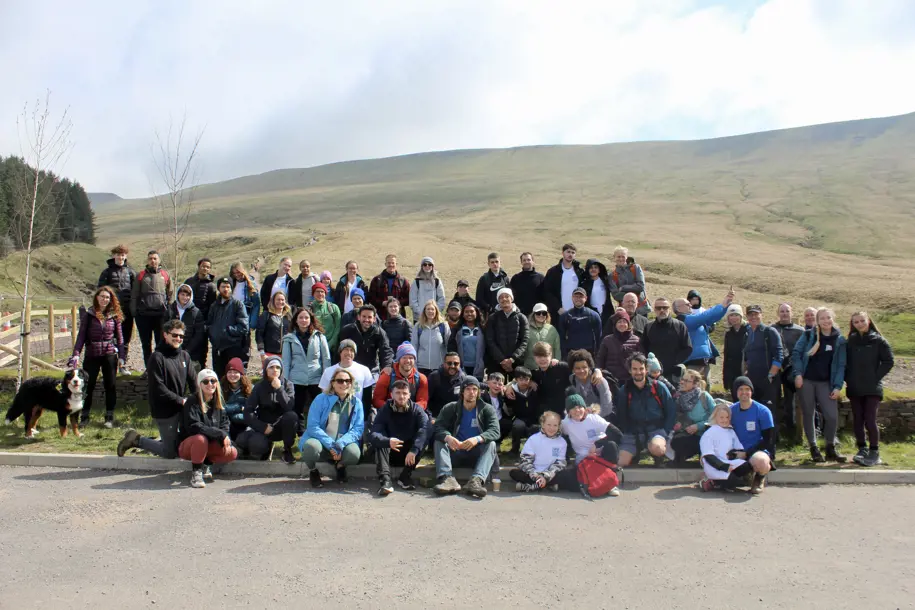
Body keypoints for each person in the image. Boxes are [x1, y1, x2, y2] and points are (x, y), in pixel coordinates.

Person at [117, 320, 197, 459]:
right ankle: (137, 440)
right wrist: (180, 400)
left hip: (182, 408)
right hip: (165, 410)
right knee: (169, 452)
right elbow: (158, 388)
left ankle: (164, 442)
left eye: (181, 336)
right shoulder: (157, 358)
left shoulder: (185, 356)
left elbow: (194, 382)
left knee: (182, 442)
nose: (178, 339)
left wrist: (197, 399)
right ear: (165, 335)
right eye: (175, 335)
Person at [791, 307, 847, 463]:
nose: (826, 321)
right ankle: (814, 448)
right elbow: (796, 353)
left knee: (832, 416)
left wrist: (838, 386)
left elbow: (841, 364)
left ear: (833, 319)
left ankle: (830, 448)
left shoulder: (839, 339)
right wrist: (798, 374)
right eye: (822, 318)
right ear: (817, 321)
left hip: (826, 382)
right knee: (808, 413)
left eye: (828, 317)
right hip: (807, 380)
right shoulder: (809, 335)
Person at [431, 376, 499, 498]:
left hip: (477, 453)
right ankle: (447, 479)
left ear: (478, 392)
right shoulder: (450, 408)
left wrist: (477, 439)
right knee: (439, 441)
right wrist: (448, 437)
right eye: (468, 389)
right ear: (462, 391)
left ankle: (476, 481)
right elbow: (437, 427)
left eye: (474, 389)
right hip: (455, 451)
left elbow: (495, 431)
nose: (471, 392)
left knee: (491, 444)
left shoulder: (487, 409)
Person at [70, 286, 125, 427]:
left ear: (110, 300)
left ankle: (109, 417)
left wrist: (122, 356)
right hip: (92, 354)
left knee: (110, 385)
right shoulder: (89, 315)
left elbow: (120, 338)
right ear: (97, 298)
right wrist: (76, 354)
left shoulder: (114, 316)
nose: (104, 300)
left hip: (109, 354)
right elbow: (81, 336)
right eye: (102, 297)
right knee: (88, 386)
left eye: (107, 297)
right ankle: (85, 416)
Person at [300, 367, 364, 487]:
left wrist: (340, 444)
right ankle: (313, 471)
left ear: (351, 383)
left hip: (342, 445)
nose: (344, 384)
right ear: (333, 383)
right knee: (310, 447)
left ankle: (340, 466)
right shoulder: (320, 399)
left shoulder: (357, 403)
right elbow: (312, 426)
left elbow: (358, 429)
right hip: (322, 442)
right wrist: (331, 445)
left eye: (347, 381)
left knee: (354, 454)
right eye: (340, 381)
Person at [846, 311, 895, 467]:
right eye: (856, 322)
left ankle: (874, 451)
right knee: (858, 419)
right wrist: (848, 378)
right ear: (852, 324)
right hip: (854, 387)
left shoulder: (879, 341)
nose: (859, 324)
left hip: (872, 387)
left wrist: (875, 377)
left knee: (870, 418)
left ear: (868, 321)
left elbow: (889, 361)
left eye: (862, 320)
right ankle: (862, 449)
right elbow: (844, 362)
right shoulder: (850, 341)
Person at [177, 368, 238, 488]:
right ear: (200, 385)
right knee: (200, 439)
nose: (210, 384)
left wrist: (224, 436)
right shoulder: (192, 401)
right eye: (205, 381)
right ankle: (196, 472)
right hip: (189, 446)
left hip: (208, 444)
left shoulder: (218, 402)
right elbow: (194, 426)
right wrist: (219, 434)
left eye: (213, 381)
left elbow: (225, 424)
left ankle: (206, 464)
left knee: (232, 452)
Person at [371, 379, 432, 494]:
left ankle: (405, 477)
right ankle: (385, 481)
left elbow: (425, 429)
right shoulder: (385, 410)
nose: (401, 396)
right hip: (390, 452)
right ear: (391, 394)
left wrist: (414, 450)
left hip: (409, 454)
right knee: (380, 443)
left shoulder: (417, 410)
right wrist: (387, 441)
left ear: (409, 395)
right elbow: (375, 433)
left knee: (423, 440)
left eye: (404, 393)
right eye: (398, 393)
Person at [554, 392, 622, 495]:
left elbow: (617, 434)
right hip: (583, 461)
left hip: (600, 457)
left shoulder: (594, 418)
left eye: (580, 407)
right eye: (573, 408)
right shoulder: (566, 423)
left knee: (612, 446)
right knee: (566, 476)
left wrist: (597, 444)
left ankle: (610, 484)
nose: (577, 410)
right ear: (568, 412)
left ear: (585, 408)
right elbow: (550, 430)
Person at [616, 353, 676, 467]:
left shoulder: (658, 387)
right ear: (630, 370)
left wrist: (666, 431)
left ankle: (657, 456)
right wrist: (626, 432)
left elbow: (671, 410)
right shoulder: (625, 390)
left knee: (657, 448)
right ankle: (635, 455)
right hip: (633, 433)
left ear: (646, 369)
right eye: (634, 369)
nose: (638, 372)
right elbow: (621, 415)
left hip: (656, 430)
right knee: (621, 462)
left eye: (641, 369)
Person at [236, 356, 297, 464]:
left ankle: (287, 450)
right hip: (265, 427)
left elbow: (289, 407)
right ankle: (265, 450)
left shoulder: (288, 385)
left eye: (278, 367)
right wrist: (262, 426)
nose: (275, 370)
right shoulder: (259, 387)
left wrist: (279, 389)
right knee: (256, 445)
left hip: (282, 427)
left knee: (292, 416)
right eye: (271, 367)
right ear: (266, 370)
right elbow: (248, 411)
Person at [282, 307, 331, 433]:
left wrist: (326, 380)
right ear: (296, 320)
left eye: (306, 318)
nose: (304, 320)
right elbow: (286, 362)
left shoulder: (320, 337)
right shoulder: (289, 339)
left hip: (316, 378)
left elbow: (326, 359)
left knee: (319, 407)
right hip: (296, 379)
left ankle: (319, 430)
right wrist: (285, 381)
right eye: (301, 318)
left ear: (311, 320)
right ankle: (300, 432)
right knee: (297, 408)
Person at [673, 289, 733, 384]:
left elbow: (712, 318)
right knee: (695, 388)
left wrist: (725, 306)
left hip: (702, 361)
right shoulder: (684, 320)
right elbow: (704, 316)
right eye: (687, 304)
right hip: (693, 363)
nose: (690, 305)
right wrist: (722, 305)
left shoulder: (691, 319)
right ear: (678, 309)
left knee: (705, 387)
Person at [729, 376, 775, 494]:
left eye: (747, 389)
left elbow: (768, 440)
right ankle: (745, 475)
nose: (744, 392)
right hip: (736, 450)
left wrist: (747, 453)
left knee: (761, 461)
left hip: (757, 450)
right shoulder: (730, 411)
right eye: (740, 389)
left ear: (751, 391)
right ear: (736, 392)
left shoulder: (763, 411)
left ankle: (759, 478)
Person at [130, 250, 174, 368]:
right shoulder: (140, 275)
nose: (153, 261)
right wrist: (134, 312)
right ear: (147, 260)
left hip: (160, 315)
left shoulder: (165, 275)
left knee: (160, 343)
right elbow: (134, 295)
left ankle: (160, 367)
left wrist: (170, 312)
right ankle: (149, 368)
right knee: (146, 344)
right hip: (143, 315)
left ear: (159, 260)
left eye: (155, 258)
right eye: (150, 258)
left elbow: (170, 294)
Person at [698, 404, 754, 492]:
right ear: (715, 417)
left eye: (727, 417)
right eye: (721, 417)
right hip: (715, 466)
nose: (725, 420)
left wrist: (733, 454)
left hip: (729, 462)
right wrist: (723, 466)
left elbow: (738, 448)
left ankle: (723, 482)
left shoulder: (730, 431)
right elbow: (708, 456)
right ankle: (712, 481)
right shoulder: (709, 434)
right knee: (735, 481)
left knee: (747, 466)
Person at [98, 244, 135, 372]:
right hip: (111, 312)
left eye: (123, 255)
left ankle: (122, 365)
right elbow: (100, 292)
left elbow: (135, 292)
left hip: (127, 312)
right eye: (118, 255)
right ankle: (110, 367)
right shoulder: (106, 272)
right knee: (110, 339)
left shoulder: (131, 273)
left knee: (125, 339)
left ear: (126, 256)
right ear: (114, 256)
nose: (121, 257)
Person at [510, 411, 566, 492]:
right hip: (534, 473)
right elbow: (525, 460)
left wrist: (545, 476)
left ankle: (530, 486)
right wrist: (535, 476)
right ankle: (548, 485)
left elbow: (560, 464)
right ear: (543, 424)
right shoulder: (533, 439)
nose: (552, 428)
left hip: (551, 474)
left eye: (555, 425)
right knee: (514, 473)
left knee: (565, 475)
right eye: (549, 425)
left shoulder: (562, 442)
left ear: (559, 426)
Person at [668, 368, 715, 464]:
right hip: (688, 434)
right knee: (676, 442)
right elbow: (678, 416)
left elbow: (716, 417)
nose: (682, 382)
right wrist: (679, 423)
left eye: (686, 380)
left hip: (705, 435)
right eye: (682, 379)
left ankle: (706, 458)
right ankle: (681, 459)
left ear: (695, 384)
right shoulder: (679, 397)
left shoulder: (704, 397)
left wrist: (698, 426)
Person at [743, 304, 783, 409]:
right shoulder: (747, 333)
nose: (753, 317)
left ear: (761, 315)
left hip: (768, 380)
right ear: (747, 317)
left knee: (770, 411)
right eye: (750, 315)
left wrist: (770, 376)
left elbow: (779, 356)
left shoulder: (769, 332)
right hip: (752, 379)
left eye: (756, 314)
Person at [773, 303, 805, 436]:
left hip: (792, 370)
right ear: (778, 313)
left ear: (791, 313)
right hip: (775, 369)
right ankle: (775, 431)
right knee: (774, 399)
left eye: (787, 311)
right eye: (782, 311)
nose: (784, 313)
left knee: (790, 400)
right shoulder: (772, 329)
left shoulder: (800, 331)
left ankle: (792, 430)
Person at [208, 277, 250, 375]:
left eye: (228, 287)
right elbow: (209, 324)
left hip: (233, 347)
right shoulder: (214, 306)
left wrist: (227, 330)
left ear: (231, 288)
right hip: (217, 348)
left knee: (234, 375)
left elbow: (244, 327)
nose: (225, 289)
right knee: (219, 376)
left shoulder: (238, 305)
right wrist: (213, 334)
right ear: (219, 288)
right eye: (223, 287)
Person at [643, 297, 691, 383]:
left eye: (665, 307)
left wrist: (675, 362)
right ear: (654, 310)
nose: (662, 310)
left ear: (669, 309)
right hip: (654, 374)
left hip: (674, 374)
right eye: (658, 308)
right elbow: (643, 348)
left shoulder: (679, 326)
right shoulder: (648, 327)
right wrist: (651, 364)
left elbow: (687, 348)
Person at [484, 287, 530, 375]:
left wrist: (512, 359)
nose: (504, 299)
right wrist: (502, 360)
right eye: (501, 297)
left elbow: (525, 340)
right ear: (498, 300)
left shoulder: (521, 317)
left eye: (506, 296)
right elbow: (490, 340)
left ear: (511, 298)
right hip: (497, 362)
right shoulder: (492, 318)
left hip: (516, 362)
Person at [318, 340, 376, 406]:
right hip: (333, 409)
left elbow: (367, 398)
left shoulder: (364, 370)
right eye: (346, 349)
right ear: (340, 352)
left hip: (356, 409)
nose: (349, 353)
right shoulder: (328, 371)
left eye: (352, 350)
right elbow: (324, 395)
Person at [339, 304, 393, 374]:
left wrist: (387, 365)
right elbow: (339, 350)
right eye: (364, 316)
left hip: (371, 370)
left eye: (369, 317)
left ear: (374, 319)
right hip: (351, 369)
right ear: (359, 317)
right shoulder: (347, 330)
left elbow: (386, 351)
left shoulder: (379, 332)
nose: (366, 320)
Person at [373, 343, 429, 410]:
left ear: (414, 360)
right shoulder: (387, 376)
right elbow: (377, 400)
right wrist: (393, 408)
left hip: (412, 413)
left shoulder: (421, 378)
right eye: (404, 357)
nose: (408, 361)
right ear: (398, 359)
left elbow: (423, 401)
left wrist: (409, 409)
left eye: (411, 358)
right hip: (390, 412)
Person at [167, 283, 206, 371]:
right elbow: (165, 329)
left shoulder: (196, 312)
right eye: (183, 295)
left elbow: (198, 335)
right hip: (172, 349)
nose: (185, 297)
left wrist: (187, 351)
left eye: (188, 295)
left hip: (190, 352)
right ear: (178, 295)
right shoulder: (170, 310)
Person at [596, 310, 642, 384]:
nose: (622, 324)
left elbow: (641, 360)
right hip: (611, 379)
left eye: (624, 322)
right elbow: (600, 359)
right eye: (619, 322)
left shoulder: (636, 340)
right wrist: (598, 370)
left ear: (628, 324)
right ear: (615, 324)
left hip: (630, 380)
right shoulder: (607, 340)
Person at [542, 243, 584, 322]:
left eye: (573, 252)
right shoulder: (553, 272)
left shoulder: (580, 272)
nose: (570, 254)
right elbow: (547, 292)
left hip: (576, 312)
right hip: (559, 313)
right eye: (568, 252)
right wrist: (558, 308)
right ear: (563, 253)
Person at [504, 367, 540, 453]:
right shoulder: (511, 392)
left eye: (526, 379)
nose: (524, 382)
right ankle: (515, 449)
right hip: (519, 417)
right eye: (521, 379)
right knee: (517, 426)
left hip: (534, 417)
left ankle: (535, 450)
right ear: (516, 380)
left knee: (536, 428)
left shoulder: (534, 389)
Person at [567, 349, 613, 418]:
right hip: (580, 418)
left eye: (584, 367)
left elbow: (607, 408)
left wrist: (588, 419)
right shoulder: (572, 380)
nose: (581, 371)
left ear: (589, 367)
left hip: (601, 419)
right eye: (577, 368)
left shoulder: (600, 381)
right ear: (573, 370)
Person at [559, 287, 603, 358]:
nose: (578, 299)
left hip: (589, 353)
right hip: (571, 353)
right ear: (572, 298)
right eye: (576, 296)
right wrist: (564, 355)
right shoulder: (565, 316)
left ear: (586, 298)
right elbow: (562, 338)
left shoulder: (594, 315)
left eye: (581, 296)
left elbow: (599, 337)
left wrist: (598, 355)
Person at [411, 300, 450, 375]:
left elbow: (449, 345)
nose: (430, 311)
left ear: (436, 311)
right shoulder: (418, 326)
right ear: (424, 311)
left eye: (432, 309)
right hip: (421, 367)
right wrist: (414, 366)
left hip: (439, 367)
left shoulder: (443, 325)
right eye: (428, 309)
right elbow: (414, 346)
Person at [608, 245, 649, 316]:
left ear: (626, 257)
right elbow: (616, 295)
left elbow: (641, 286)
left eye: (623, 256)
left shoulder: (636, 268)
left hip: (641, 310)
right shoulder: (612, 276)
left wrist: (623, 288)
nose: (621, 259)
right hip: (624, 312)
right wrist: (634, 293)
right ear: (614, 257)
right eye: (618, 257)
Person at [448, 301, 485, 377]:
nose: (469, 314)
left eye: (472, 311)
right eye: (466, 312)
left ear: (476, 313)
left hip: (479, 367)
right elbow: (451, 346)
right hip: (461, 367)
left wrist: (484, 363)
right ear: (463, 314)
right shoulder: (457, 329)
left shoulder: (483, 329)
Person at [368, 254, 410, 321]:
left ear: (396, 264)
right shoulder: (376, 280)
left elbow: (409, 298)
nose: (391, 265)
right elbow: (371, 298)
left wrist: (398, 303)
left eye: (393, 263)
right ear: (385, 264)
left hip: (398, 317)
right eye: (389, 263)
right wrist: (382, 303)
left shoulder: (403, 281)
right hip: (381, 316)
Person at [522, 303, 561, 370]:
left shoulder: (552, 329)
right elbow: (523, 347)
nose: (541, 315)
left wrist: (557, 362)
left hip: (549, 368)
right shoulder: (526, 329)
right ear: (533, 314)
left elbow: (557, 348)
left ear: (547, 315)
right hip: (530, 367)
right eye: (538, 313)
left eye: (544, 313)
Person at [255, 291, 292, 361]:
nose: (280, 302)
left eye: (282, 300)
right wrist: (262, 352)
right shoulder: (266, 315)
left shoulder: (288, 317)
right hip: (269, 354)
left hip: (286, 354)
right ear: (273, 301)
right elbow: (259, 334)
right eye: (278, 299)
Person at [427, 352, 465, 419]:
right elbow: (425, 400)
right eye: (449, 363)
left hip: (456, 418)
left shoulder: (463, 378)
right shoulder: (434, 377)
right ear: (444, 363)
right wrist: (430, 417)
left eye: (456, 363)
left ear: (459, 364)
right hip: (437, 417)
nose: (452, 366)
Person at [221, 357, 251, 440]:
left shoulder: (250, 389)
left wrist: (234, 415)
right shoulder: (221, 388)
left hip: (245, 423)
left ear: (241, 374)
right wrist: (239, 407)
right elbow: (221, 408)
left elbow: (251, 411)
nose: (232, 375)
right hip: (227, 423)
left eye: (235, 372)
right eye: (229, 372)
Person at [722, 304, 748, 395]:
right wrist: (725, 377)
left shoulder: (749, 330)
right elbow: (726, 355)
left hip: (745, 369)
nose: (734, 318)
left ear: (741, 316)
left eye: (736, 315)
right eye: (731, 315)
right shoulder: (728, 333)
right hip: (732, 370)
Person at [409, 257, 446, 322]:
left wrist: (434, 312)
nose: (427, 266)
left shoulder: (437, 281)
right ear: (422, 266)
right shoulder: (416, 282)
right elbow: (412, 300)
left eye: (430, 264)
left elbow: (441, 299)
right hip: (419, 318)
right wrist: (422, 313)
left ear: (432, 266)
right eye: (425, 264)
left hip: (434, 317)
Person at [229, 261, 261, 336]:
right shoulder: (231, 284)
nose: (237, 275)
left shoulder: (251, 285)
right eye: (234, 273)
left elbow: (256, 305)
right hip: (231, 317)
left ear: (243, 271)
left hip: (245, 318)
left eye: (238, 272)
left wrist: (252, 323)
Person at [310, 282, 341, 353]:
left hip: (332, 347)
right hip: (315, 347)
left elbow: (338, 327)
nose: (320, 294)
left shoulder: (334, 308)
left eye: (322, 291)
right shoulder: (309, 309)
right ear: (313, 294)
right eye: (317, 291)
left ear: (325, 294)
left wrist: (330, 344)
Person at [510, 252, 544, 316]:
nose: (526, 262)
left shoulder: (540, 278)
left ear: (533, 261)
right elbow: (511, 297)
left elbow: (544, 296)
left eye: (528, 260)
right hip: (519, 314)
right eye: (524, 260)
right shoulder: (515, 278)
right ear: (521, 262)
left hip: (536, 314)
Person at [580, 258, 611, 328]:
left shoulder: (605, 280)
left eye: (596, 267)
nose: (593, 269)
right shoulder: (584, 284)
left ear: (599, 270)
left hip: (606, 313)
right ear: (587, 269)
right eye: (591, 268)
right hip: (591, 314)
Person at [481, 372, 510, 442]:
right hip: (488, 421)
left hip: (499, 420)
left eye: (500, 384)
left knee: (508, 424)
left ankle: (498, 440)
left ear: (503, 386)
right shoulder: (483, 397)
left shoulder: (502, 396)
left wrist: (508, 388)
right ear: (488, 383)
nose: (497, 386)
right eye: (494, 383)